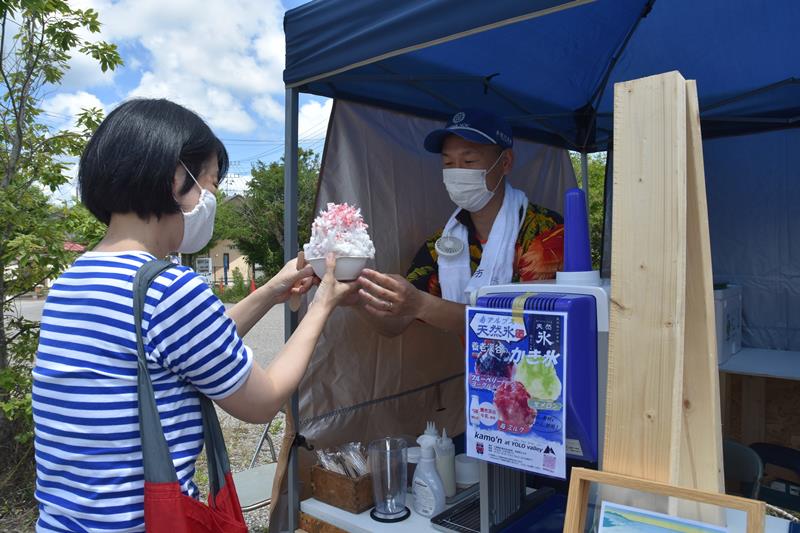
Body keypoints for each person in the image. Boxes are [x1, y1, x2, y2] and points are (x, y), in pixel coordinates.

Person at [32, 99, 355, 533]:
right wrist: (324, 303)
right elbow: (262, 401)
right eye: (211, 184)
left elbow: (183, 348)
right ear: (175, 179)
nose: (213, 198)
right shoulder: (170, 289)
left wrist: (271, 292)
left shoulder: (73, 280)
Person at [354, 108, 564, 337]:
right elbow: (397, 322)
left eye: (469, 160)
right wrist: (356, 296)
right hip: (482, 373)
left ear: (505, 162)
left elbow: (534, 325)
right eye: (449, 164)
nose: (457, 173)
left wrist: (422, 304)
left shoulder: (545, 232)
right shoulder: (442, 245)